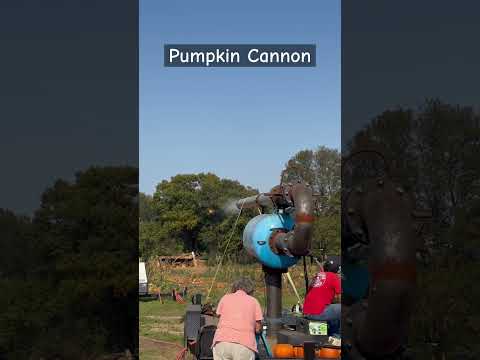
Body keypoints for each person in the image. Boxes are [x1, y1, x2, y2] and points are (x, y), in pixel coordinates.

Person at [212, 277, 263, 360]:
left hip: (221, 341)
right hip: (244, 344)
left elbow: (219, 317)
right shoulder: (253, 301)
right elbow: (258, 328)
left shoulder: (225, 298)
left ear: (234, 287)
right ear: (250, 290)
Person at [303, 256, 341, 338]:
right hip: (318, 313)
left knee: (333, 309)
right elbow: (340, 297)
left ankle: (333, 334)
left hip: (306, 312)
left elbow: (309, 290)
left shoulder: (318, 275)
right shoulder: (334, 277)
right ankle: (336, 336)